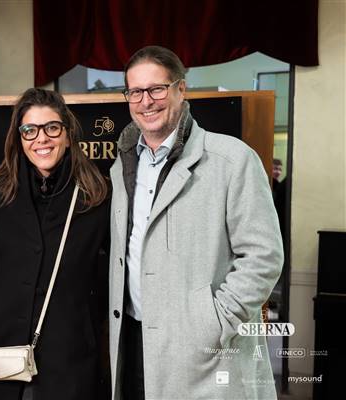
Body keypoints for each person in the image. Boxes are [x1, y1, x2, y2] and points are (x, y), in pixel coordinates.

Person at [109, 46, 283, 400]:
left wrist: (214, 322)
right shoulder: (122, 165)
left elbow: (263, 257)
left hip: (207, 352)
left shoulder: (232, 159)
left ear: (181, 89)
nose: (146, 101)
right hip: (135, 343)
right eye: (135, 92)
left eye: (157, 89)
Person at [0, 88, 110, 400]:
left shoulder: (96, 198)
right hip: (0, 359)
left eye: (51, 128)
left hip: (68, 362)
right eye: (30, 130)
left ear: (67, 135)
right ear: (19, 139)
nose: (41, 139)